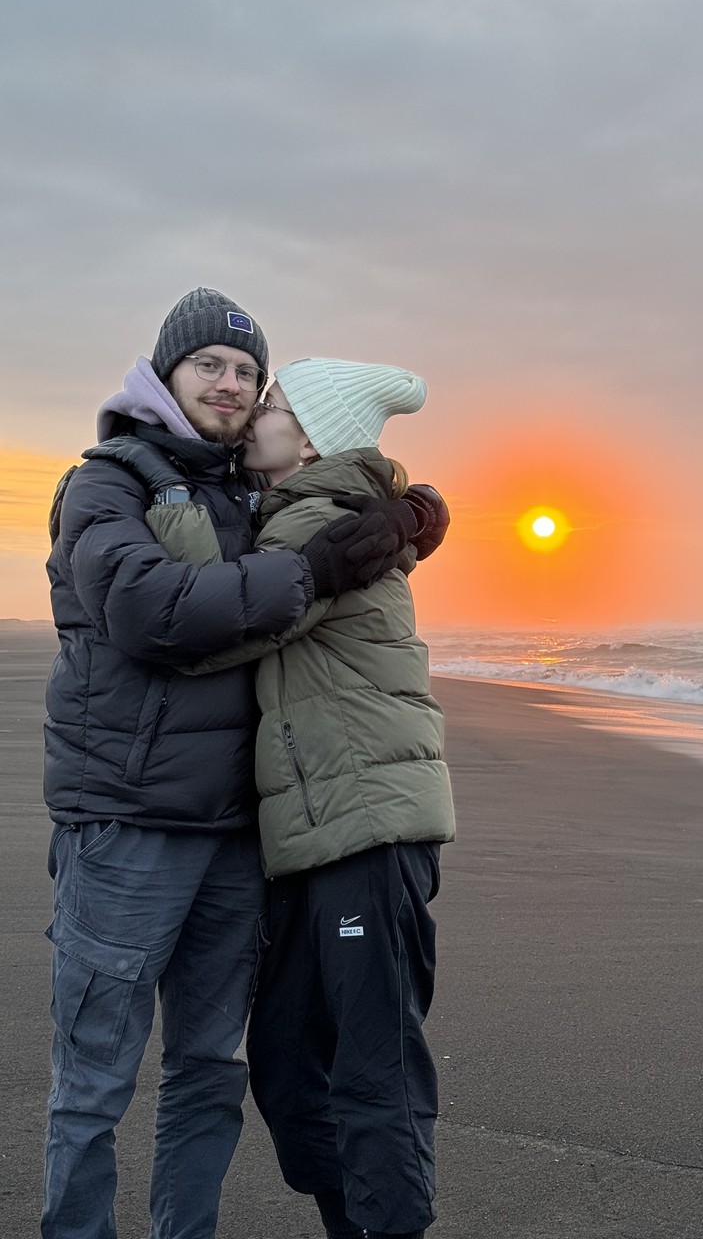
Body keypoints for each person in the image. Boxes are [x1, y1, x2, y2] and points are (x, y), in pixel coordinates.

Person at [42, 290, 441, 1239]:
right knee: (95, 1082)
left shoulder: (258, 493)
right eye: (211, 365)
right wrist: (340, 555)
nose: (234, 386)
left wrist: (408, 512)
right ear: (166, 372)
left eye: (250, 374)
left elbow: (337, 498)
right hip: (130, 821)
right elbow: (154, 615)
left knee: (212, 1072)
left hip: (243, 835)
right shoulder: (108, 483)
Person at [149, 357, 454, 1239]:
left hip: (368, 829)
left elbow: (224, 622)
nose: (256, 414)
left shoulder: (324, 516)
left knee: (370, 1071)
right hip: (316, 836)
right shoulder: (302, 514)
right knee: (289, 1071)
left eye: (273, 404)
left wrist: (167, 499)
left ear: (313, 436)